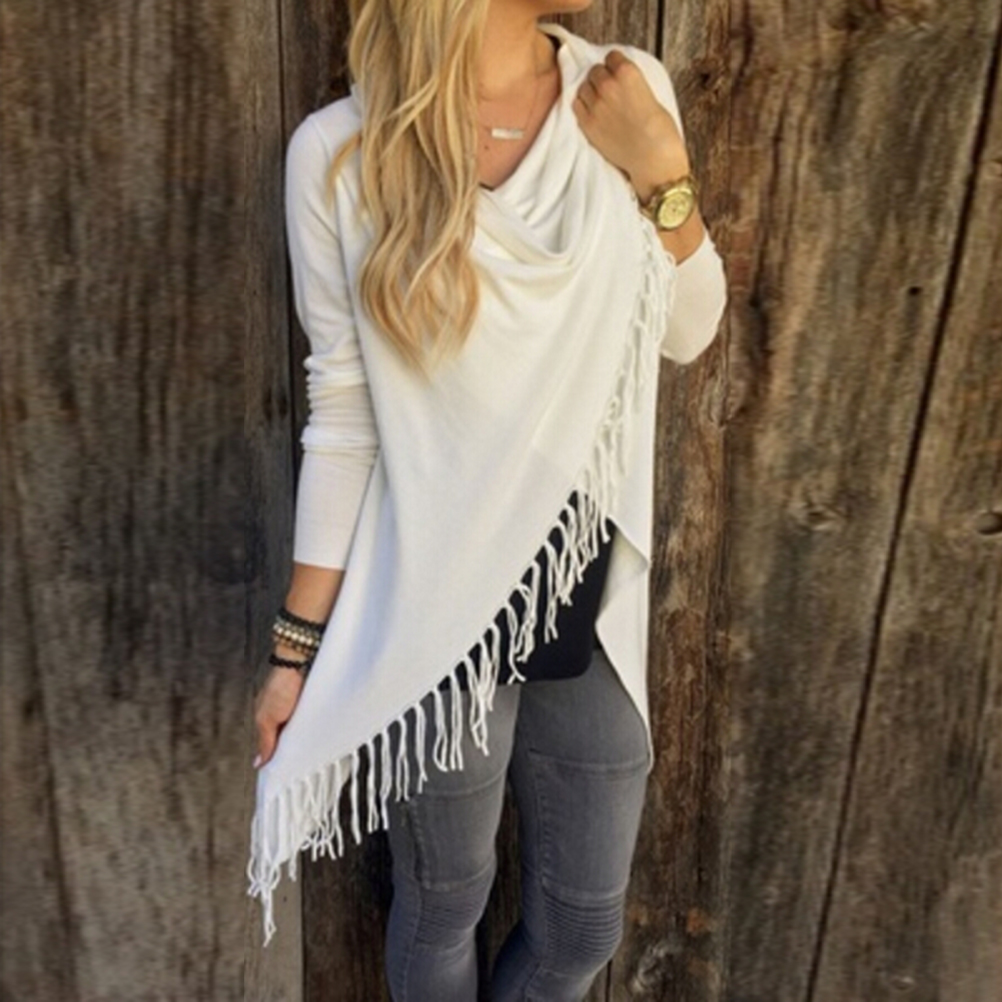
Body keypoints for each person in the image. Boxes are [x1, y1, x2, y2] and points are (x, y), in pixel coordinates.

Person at [247, 1, 727, 999]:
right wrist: (295, 651)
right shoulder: (341, 151)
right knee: (444, 899)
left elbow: (688, 333)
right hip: (436, 606)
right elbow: (346, 415)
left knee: (582, 928)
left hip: (580, 584)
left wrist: (662, 175)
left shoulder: (621, 93)